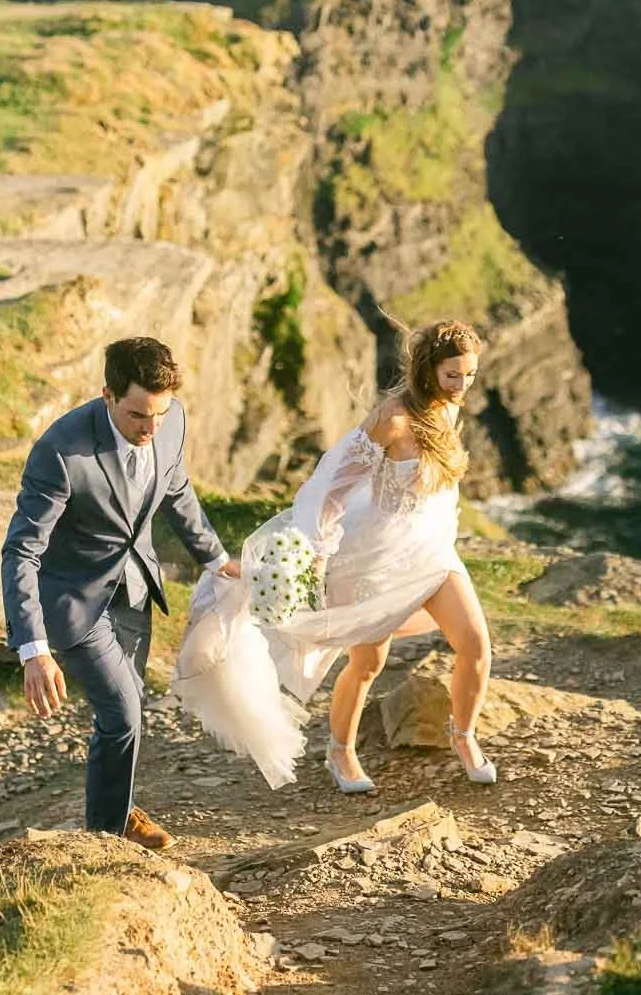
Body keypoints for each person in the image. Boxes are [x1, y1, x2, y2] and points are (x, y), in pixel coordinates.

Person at [174, 319, 496, 793]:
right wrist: (319, 551)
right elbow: (332, 487)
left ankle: (463, 736)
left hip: (433, 553)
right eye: (453, 375)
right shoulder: (392, 418)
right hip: (379, 559)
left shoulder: (447, 409)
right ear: (429, 368)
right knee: (368, 663)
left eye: (469, 375)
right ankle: (340, 752)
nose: (462, 385)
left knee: (476, 645)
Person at [1, 336, 236, 849]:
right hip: (73, 602)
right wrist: (33, 649)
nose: (150, 428)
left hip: (135, 589)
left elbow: (177, 490)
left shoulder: (171, 420)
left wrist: (217, 560)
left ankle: (117, 813)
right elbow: (20, 551)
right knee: (124, 714)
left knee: (123, 715)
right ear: (107, 395)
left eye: (159, 414)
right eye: (137, 416)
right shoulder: (61, 451)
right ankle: (107, 844)